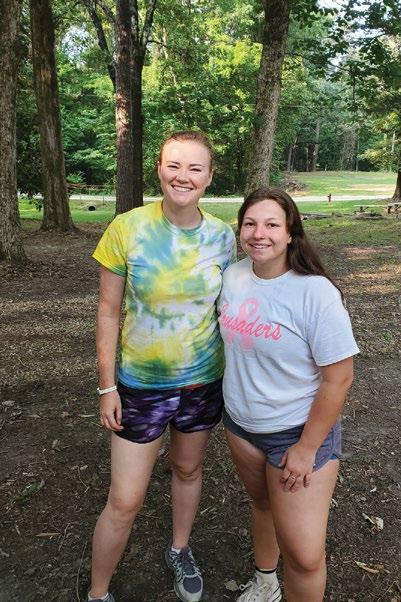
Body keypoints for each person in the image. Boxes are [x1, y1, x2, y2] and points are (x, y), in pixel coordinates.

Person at [88, 130, 236, 602]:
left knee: (188, 471)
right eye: (174, 165)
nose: (182, 176)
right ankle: (97, 592)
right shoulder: (127, 228)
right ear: (159, 169)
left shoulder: (223, 237)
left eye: (195, 168)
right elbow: (108, 311)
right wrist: (106, 387)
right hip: (140, 387)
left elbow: (231, 308)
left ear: (209, 177)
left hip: (202, 383)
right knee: (125, 499)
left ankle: (180, 549)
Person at [218, 187, 359, 602]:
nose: (258, 233)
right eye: (250, 223)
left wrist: (306, 448)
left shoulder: (315, 293)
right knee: (262, 505)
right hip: (241, 426)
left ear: (291, 232)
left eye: (271, 225)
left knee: (304, 557)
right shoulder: (232, 277)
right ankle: (265, 583)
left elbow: (339, 379)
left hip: (295, 434)